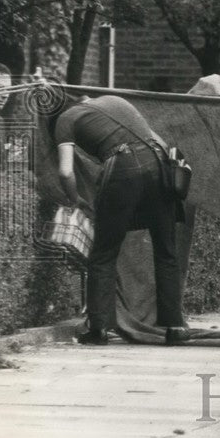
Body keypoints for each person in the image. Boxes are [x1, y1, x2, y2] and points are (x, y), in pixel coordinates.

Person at [53, 94, 184, 346]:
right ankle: (174, 327)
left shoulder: (65, 119)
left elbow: (66, 171)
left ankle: (99, 329)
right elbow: (159, 141)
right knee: (166, 251)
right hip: (160, 165)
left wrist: (75, 199)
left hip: (124, 166)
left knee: (104, 251)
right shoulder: (114, 100)